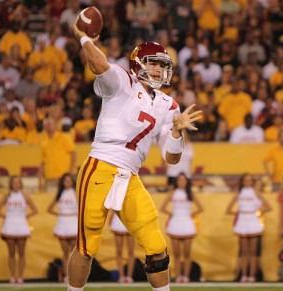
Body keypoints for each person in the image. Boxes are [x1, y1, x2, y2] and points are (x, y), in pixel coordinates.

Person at [67, 19, 203, 291]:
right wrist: (84, 38)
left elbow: (171, 158)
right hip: (101, 165)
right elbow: (98, 65)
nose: (160, 69)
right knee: (87, 245)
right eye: (154, 63)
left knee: (156, 246)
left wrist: (176, 133)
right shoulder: (121, 80)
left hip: (129, 175)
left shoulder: (169, 105)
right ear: (137, 63)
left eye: (163, 65)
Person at [226, 173, 271, 283]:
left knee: (253, 252)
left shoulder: (256, 193)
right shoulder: (238, 193)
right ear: (242, 182)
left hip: (253, 220)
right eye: (246, 180)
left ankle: (252, 276)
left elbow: (268, 207)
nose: (248, 182)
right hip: (243, 221)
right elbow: (228, 210)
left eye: (250, 180)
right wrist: (238, 213)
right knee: (244, 251)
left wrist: (257, 212)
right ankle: (243, 275)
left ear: (252, 182)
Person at [0, 176, 38, 284]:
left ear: (21, 184)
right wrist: (6, 216)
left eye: (18, 183)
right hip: (9, 226)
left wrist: (24, 216)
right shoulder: (6, 196)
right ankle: (12, 276)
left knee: (21, 253)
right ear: (11, 184)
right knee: (11, 253)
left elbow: (35, 210)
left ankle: (20, 277)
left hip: (22, 225)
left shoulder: (25, 196)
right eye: (14, 183)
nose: (16, 185)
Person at [160, 173, 203, 283]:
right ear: (177, 182)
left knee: (187, 254)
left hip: (187, 224)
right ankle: (178, 276)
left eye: (184, 180)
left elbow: (201, 208)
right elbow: (162, 208)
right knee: (177, 254)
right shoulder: (172, 193)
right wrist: (171, 214)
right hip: (175, 223)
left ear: (187, 182)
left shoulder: (190, 193)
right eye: (179, 180)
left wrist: (191, 214)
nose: (182, 182)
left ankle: (186, 276)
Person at [48, 173, 78, 283]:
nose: (68, 183)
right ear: (62, 182)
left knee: (75, 252)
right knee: (65, 253)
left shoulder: (76, 193)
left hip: (73, 223)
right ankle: (67, 276)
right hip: (62, 224)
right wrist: (60, 214)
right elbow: (49, 208)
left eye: (70, 180)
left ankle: (75, 275)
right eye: (65, 181)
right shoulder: (59, 194)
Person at [109, 212, 135, 283]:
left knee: (131, 251)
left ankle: (129, 277)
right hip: (118, 219)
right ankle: (121, 276)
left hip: (130, 218)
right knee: (119, 251)